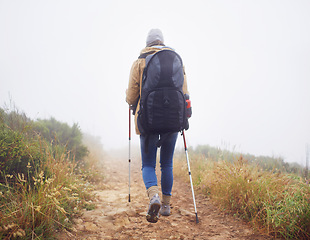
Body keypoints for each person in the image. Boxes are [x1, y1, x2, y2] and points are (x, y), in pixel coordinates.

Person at [126, 29, 189, 223]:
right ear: (162, 41)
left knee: (148, 164)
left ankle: (153, 196)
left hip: (148, 119)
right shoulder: (175, 60)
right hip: (172, 119)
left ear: (148, 43)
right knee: (167, 163)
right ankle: (166, 206)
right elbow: (184, 91)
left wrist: (130, 102)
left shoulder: (139, 62)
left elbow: (131, 95)